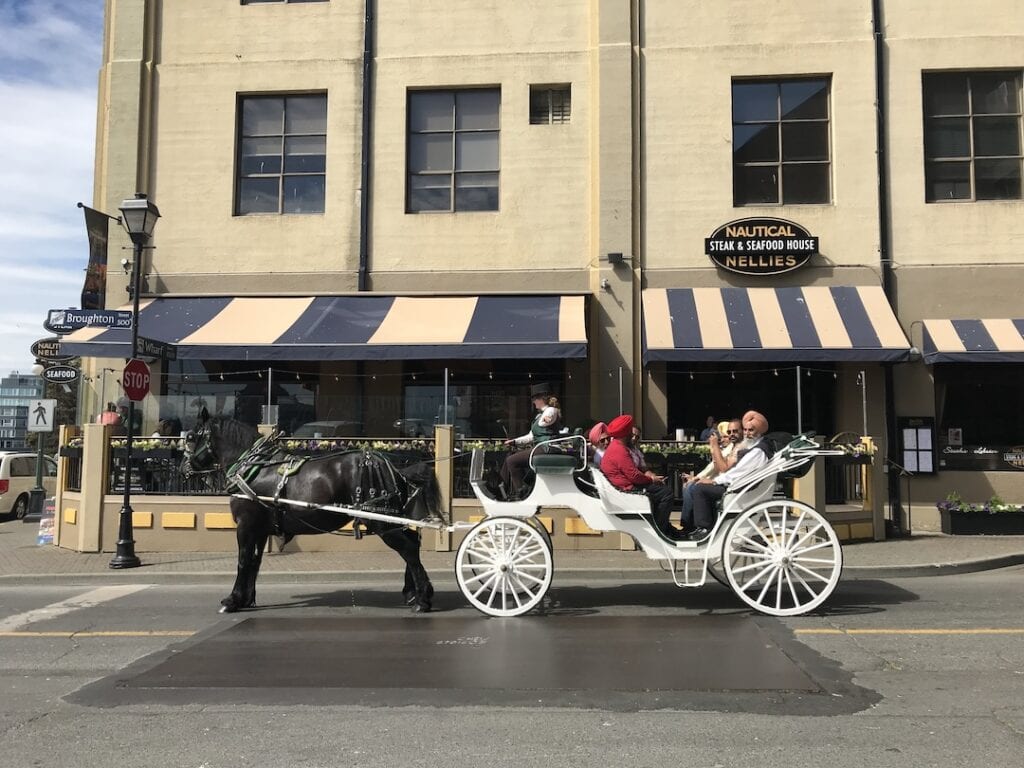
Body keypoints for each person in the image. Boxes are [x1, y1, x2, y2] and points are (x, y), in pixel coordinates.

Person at [685, 410, 771, 541]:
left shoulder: (757, 451)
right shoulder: (749, 447)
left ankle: (704, 528)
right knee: (694, 486)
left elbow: (733, 472)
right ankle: (692, 525)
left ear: (759, 432)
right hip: (737, 484)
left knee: (699, 489)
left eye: (751, 430)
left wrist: (714, 481)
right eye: (746, 429)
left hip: (738, 488)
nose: (747, 433)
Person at [600, 414, 683, 541]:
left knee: (660, 490)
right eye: (630, 432)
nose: (632, 436)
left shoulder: (617, 447)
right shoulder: (619, 449)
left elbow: (637, 472)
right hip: (627, 488)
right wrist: (651, 479)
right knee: (666, 493)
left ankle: (664, 526)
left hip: (624, 486)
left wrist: (651, 478)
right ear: (626, 433)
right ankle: (659, 530)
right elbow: (634, 475)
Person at [499, 382, 563, 499]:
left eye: (534, 398)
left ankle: (522, 492)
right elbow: (531, 436)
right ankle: (501, 487)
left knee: (512, 461)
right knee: (510, 456)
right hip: (540, 447)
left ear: (542, 398)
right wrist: (514, 441)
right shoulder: (540, 414)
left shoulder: (551, 411)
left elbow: (543, 423)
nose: (533, 402)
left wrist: (544, 414)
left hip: (547, 447)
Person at [678, 417, 743, 531]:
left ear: (742, 431)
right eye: (729, 432)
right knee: (692, 486)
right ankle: (690, 525)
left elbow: (722, 470)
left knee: (695, 488)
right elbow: (718, 468)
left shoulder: (738, 448)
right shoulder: (734, 447)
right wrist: (714, 451)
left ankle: (698, 527)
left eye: (735, 431)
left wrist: (715, 447)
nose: (731, 435)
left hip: (731, 486)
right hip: (725, 482)